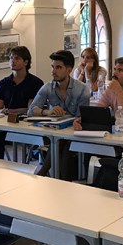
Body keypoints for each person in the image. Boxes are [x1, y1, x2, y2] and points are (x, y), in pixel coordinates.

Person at [29, 50, 90, 179]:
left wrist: (76, 121)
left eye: (58, 67)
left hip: (74, 134)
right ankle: (56, 178)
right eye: (52, 67)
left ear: (69, 70)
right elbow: (31, 111)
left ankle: (45, 173)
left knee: (63, 145)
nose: (53, 71)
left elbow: (82, 117)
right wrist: (47, 111)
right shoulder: (48, 87)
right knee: (58, 141)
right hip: (54, 132)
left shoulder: (82, 89)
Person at [73, 57, 123, 130]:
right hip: (120, 134)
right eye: (115, 69)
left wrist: (119, 92)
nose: (114, 73)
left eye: (120, 70)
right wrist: (83, 120)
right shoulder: (111, 91)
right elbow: (97, 112)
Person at [0, 45, 44, 158]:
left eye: (17, 58)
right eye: (11, 58)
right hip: (6, 123)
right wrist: (13, 111)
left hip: (27, 123)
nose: (12, 61)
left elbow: (30, 110)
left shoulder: (36, 83)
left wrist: (7, 111)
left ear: (26, 62)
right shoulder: (3, 83)